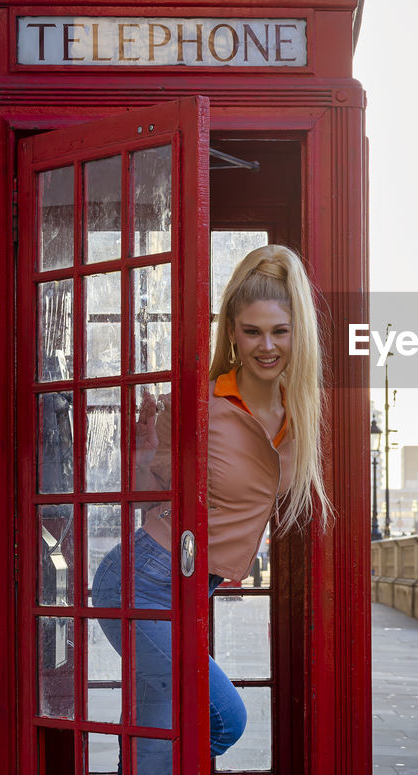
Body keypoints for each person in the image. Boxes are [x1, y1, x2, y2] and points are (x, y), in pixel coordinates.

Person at [90, 245, 330, 772]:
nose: (267, 346)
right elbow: (148, 490)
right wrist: (143, 448)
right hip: (141, 579)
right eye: (251, 331)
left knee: (157, 733)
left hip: (195, 584)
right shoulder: (202, 403)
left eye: (280, 331)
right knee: (225, 719)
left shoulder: (300, 416)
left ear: (299, 335)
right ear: (233, 335)